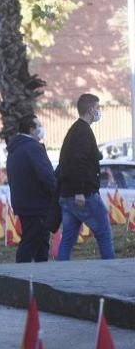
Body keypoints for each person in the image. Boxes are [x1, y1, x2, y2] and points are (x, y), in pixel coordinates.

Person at [56, 93, 115, 260]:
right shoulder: (83, 131)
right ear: (90, 110)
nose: (99, 111)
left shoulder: (75, 130)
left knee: (68, 238)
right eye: (97, 108)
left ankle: (61, 272)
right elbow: (78, 163)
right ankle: (112, 271)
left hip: (67, 194)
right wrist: (80, 191)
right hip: (82, 195)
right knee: (104, 232)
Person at [6, 114, 57, 262]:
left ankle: (40, 276)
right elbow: (46, 176)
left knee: (40, 244)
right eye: (39, 126)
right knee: (30, 243)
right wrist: (56, 193)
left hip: (24, 204)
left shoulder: (15, 148)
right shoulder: (32, 148)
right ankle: (21, 277)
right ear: (31, 129)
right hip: (38, 205)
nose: (41, 129)